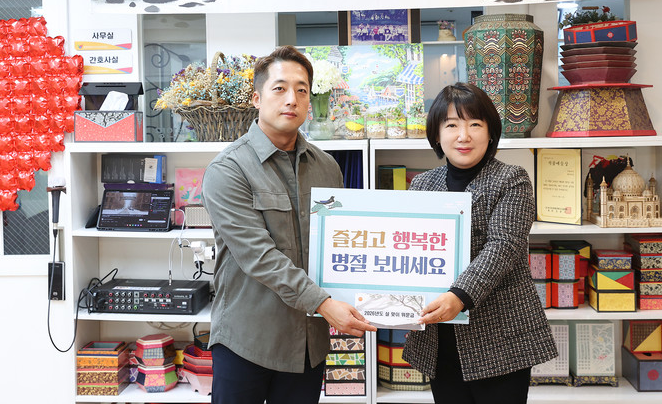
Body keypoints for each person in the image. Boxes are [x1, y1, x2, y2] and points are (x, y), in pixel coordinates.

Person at [202, 45, 376, 404]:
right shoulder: (228, 170)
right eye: (279, 88)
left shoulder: (327, 167)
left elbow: (342, 244)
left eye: (301, 90)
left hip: (307, 343)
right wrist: (324, 304)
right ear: (256, 98)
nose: (292, 99)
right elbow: (258, 256)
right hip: (247, 340)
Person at [402, 82, 557, 404]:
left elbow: (504, 246)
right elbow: (408, 248)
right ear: (437, 135)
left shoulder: (512, 179)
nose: (464, 136)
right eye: (451, 125)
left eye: (475, 124)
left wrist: (458, 296)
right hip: (439, 335)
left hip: (500, 335)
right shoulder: (422, 185)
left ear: (490, 133)